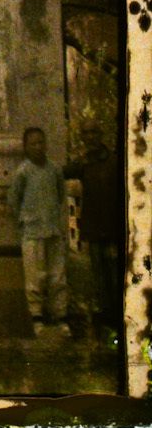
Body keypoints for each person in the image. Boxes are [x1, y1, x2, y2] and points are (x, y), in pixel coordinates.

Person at [8, 124, 69, 337]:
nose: (37, 147)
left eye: (41, 142)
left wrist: (56, 221)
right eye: (32, 143)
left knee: (57, 276)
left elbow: (61, 196)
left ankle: (61, 317)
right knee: (35, 278)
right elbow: (14, 200)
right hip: (32, 233)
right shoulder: (22, 172)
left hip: (53, 230)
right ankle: (37, 319)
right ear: (25, 147)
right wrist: (25, 221)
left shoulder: (54, 170)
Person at [66, 126, 122, 336]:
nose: (90, 138)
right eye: (86, 134)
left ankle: (119, 315)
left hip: (113, 228)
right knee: (99, 276)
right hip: (94, 228)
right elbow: (63, 172)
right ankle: (106, 318)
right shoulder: (84, 163)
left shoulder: (114, 162)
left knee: (115, 273)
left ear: (101, 135)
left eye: (94, 133)